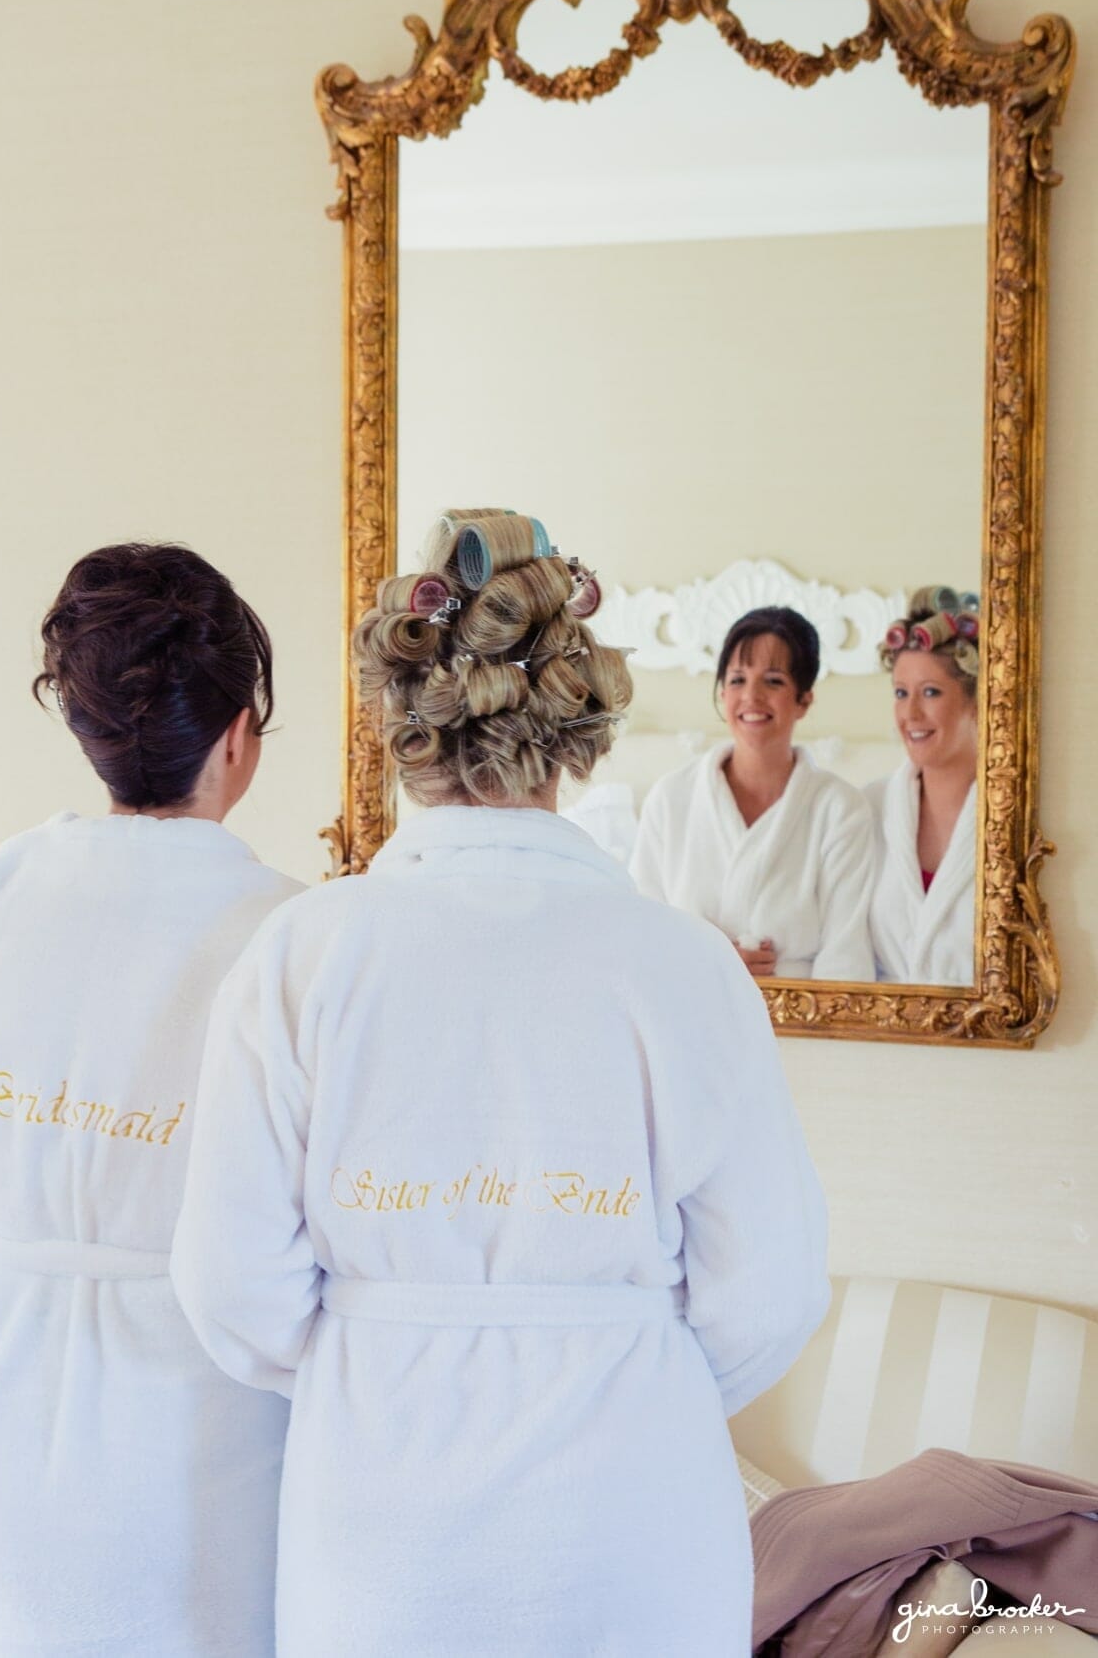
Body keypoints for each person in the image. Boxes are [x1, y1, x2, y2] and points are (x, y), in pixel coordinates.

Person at [171, 509, 830, 1657]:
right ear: (579, 722)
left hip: (379, 1509)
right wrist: (609, 1343)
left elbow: (231, 1282)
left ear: (404, 718)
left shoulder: (306, 952)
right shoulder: (682, 965)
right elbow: (767, 1287)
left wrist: (381, 1337)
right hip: (634, 1510)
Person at [0, 542, 301, 1658]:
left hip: (11, 1364)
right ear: (240, 736)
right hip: (210, 1383)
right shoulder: (290, 934)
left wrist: (36, 1241)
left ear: (88, 728)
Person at [629, 605, 876, 980]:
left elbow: (846, 951)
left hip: (805, 1019)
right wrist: (710, 962)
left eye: (774, 681)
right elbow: (642, 934)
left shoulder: (840, 809)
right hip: (685, 1008)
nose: (752, 696)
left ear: (804, 700)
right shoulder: (670, 799)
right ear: (722, 691)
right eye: (738, 679)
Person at [868, 586, 979, 985]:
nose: (910, 713)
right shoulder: (869, 809)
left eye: (930, 692)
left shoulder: (1014, 817)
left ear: (976, 702)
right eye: (901, 693)